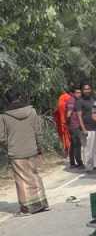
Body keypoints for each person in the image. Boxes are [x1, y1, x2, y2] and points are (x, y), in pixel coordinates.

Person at [0, 88, 50, 216]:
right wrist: (39, 147)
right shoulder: (32, 111)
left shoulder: (4, 116)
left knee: (22, 179)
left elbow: (1, 137)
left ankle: (27, 208)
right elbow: (38, 132)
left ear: (7, 100)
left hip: (16, 152)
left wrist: (9, 147)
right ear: (20, 97)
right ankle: (42, 204)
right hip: (32, 149)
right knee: (34, 175)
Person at [77, 82, 96, 172]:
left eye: (88, 89)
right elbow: (79, 116)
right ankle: (88, 167)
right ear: (82, 90)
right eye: (85, 89)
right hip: (86, 129)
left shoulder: (93, 100)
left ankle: (95, 164)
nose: (87, 91)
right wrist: (83, 129)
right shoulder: (79, 101)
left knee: (95, 148)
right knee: (87, 149)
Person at [66, 86, 84, 169]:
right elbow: (68, 114)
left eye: (80, 92)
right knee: (77, 144)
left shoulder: (76, 100)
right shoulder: (72, 100)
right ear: (73, 93)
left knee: (73, 144)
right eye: (77, 93)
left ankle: (72, 163)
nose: (79, 94)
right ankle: (79, 163)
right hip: (74, 126)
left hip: (74, 125)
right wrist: (70, 122)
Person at [54, 86, 73, 159]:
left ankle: (67, 152)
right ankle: (69, 152)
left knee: (65, 137)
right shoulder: (70, 98)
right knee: (68, 137)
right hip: (68, 121)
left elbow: (58, 109)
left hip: (63, 121)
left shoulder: (62, 98)